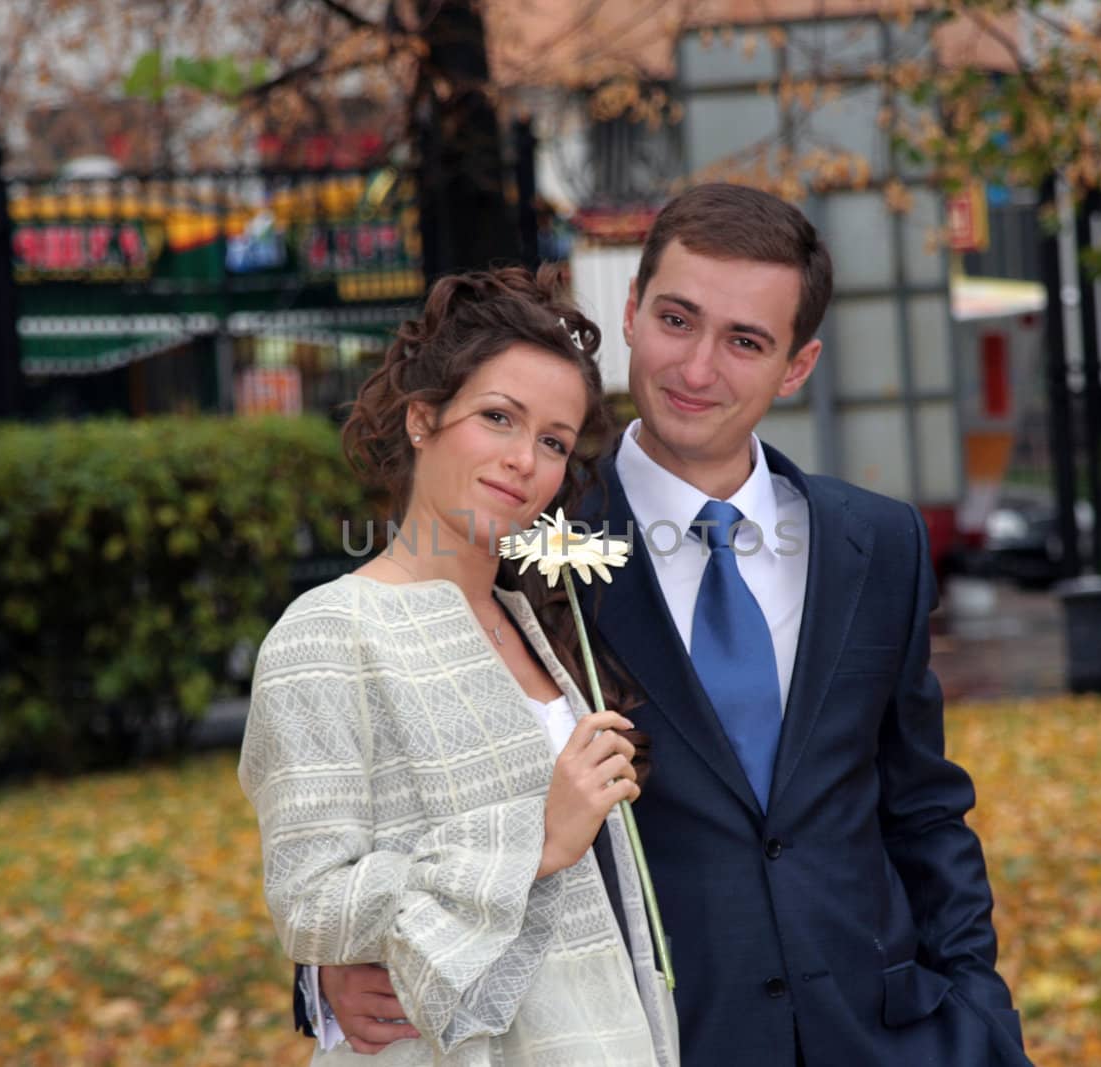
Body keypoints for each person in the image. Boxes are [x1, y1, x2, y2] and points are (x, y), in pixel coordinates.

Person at [318, 184, 1030, 1066]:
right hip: (656, 1041)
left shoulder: (878, 544)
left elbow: (922, 806)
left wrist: (981, 1015)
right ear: (630, 312)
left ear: (796, 366)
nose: (698, 369)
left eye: (745, 342)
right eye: (678, 320)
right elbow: (399, 789)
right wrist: (332, 971)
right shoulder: (520, 537)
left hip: (892, 1038)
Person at [239, 265, 679, 1065]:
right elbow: (309, 901)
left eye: (552, 441)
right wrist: (533, 838)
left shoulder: (537, 622)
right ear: (423, 419)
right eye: (498, 418)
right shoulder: (328, 634)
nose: (524, 460)